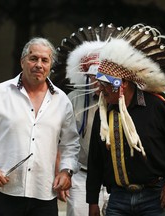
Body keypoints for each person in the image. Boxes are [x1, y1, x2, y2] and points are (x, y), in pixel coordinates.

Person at [0, 37, 80, 216]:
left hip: (44, 193)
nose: (39, 64)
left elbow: (70, 144)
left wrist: (66, 172)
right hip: (3, 192)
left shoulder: (62, 101)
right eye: (33, 58)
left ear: (51, 65)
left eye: (45, 60)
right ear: (22, 62)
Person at [86, 23, 165, 216]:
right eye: (101, 83)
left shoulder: (157, 106)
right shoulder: (104, 112)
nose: (101, 89)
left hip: (156, 197)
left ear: (123, 84)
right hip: (118, 198)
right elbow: (95, 160)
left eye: (107, 84)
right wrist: (92, 202)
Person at [51, 24, 124, 216]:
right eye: (92, 76)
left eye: (102, 75)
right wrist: (62, 172)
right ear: (85, 75)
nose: (97, 81)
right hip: (81, 175)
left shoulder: (121, 99)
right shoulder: (71, 99)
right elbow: (59, 139)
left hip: (117, 177)